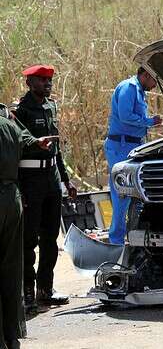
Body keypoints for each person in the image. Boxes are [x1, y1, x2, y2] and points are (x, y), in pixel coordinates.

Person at [12, 65, 77, 314]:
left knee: (50, 238)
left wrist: (66, 179)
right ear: (29, 83)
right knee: (28, 241)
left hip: (51, 178)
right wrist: (20, 189)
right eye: (41, 80)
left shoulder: (51, 106)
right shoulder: (20, 111)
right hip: (30, 180)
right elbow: (15, 150)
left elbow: (56, 147)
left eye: (49, 79)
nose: (47, 83)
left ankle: (45, 290)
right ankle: (27, 293)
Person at [0, 103, 53, 349]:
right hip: (12, 199)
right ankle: (12, 335)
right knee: (11, 269)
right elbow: (31, 140)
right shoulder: (11, 126)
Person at [104, 67, 161, 245]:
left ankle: (128, 238)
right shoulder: (129, 88)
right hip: (122, 145)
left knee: (134, 194)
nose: (154, 86)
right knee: (122, 193)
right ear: (146, 75)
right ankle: (117, 242)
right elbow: (125, 115)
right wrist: (150, 122)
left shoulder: (138, 90)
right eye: (154, 81)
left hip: (132, 144)